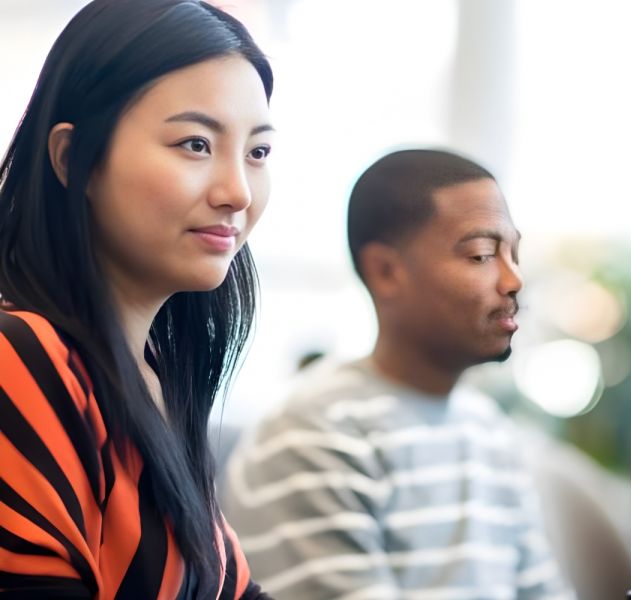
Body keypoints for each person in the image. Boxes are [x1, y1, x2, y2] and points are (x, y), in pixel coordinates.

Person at [0, 1, 275, 597]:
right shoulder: (20, 359)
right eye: (196, 145)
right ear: (75, 160)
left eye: (257, 152)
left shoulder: (151, 377)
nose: (237, 192)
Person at [221, 149, 571, 599]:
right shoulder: (312, 436)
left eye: (514, 253)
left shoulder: (493, 436)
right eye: (482, 255)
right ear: (386, 272)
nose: (514, 280)